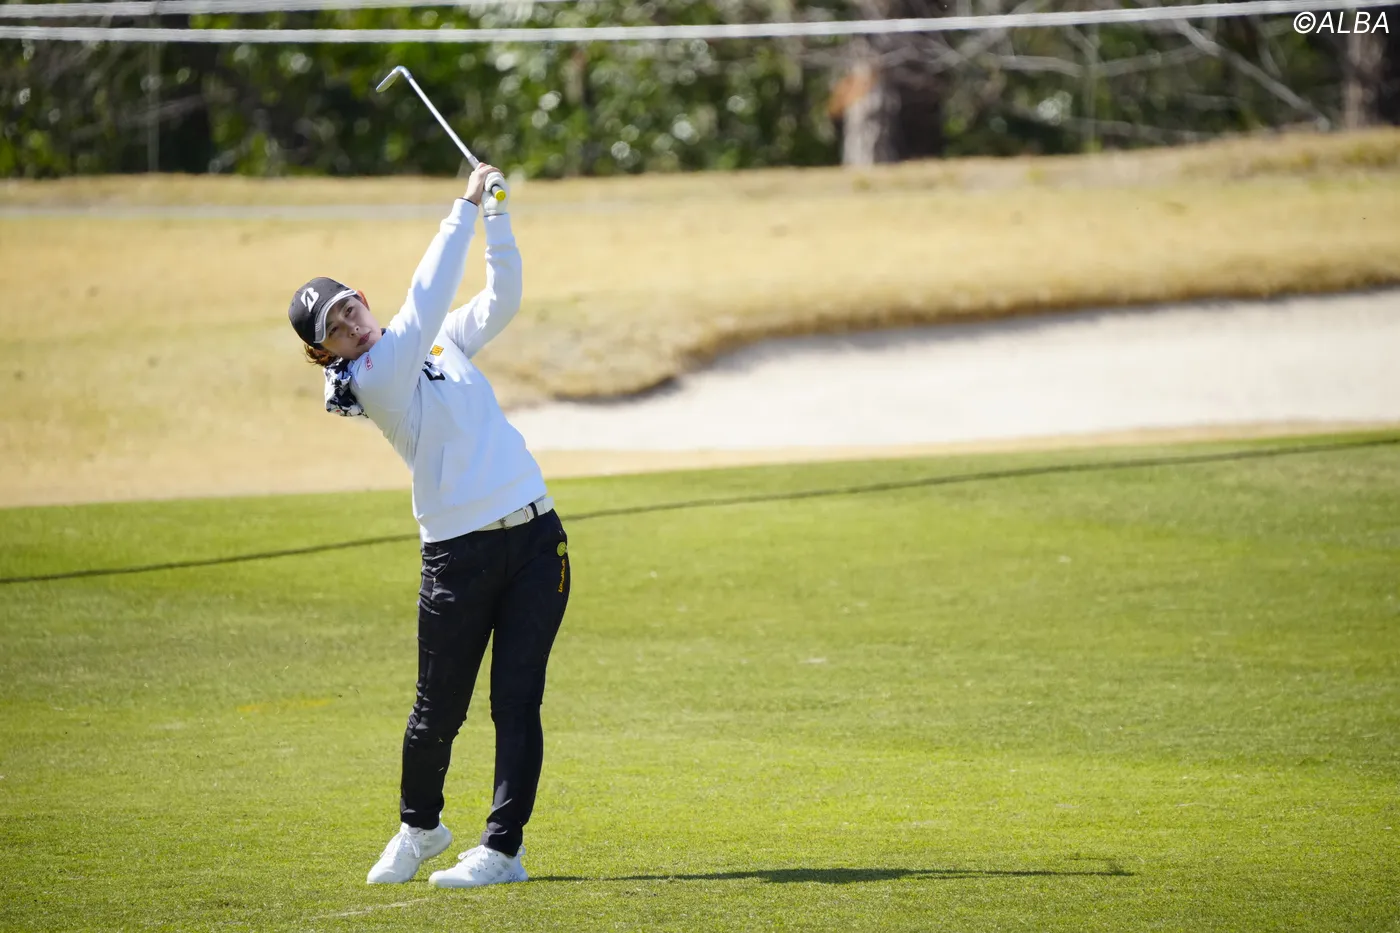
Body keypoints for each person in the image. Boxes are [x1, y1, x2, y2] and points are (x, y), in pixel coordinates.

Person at [286, 163, 570, 890]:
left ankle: (502, 850)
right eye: (334, 329)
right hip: (458, 556)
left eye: (350, 308)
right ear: (325, 353)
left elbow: (501, 298)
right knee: (436, 708)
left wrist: (497, 217)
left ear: (362, 298)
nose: (351, 324)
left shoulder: (437, 340)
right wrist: (463, 206)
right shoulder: (373, 377)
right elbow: (425, 296)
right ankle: (420, 827)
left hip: (536, 539)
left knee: (517, 701)